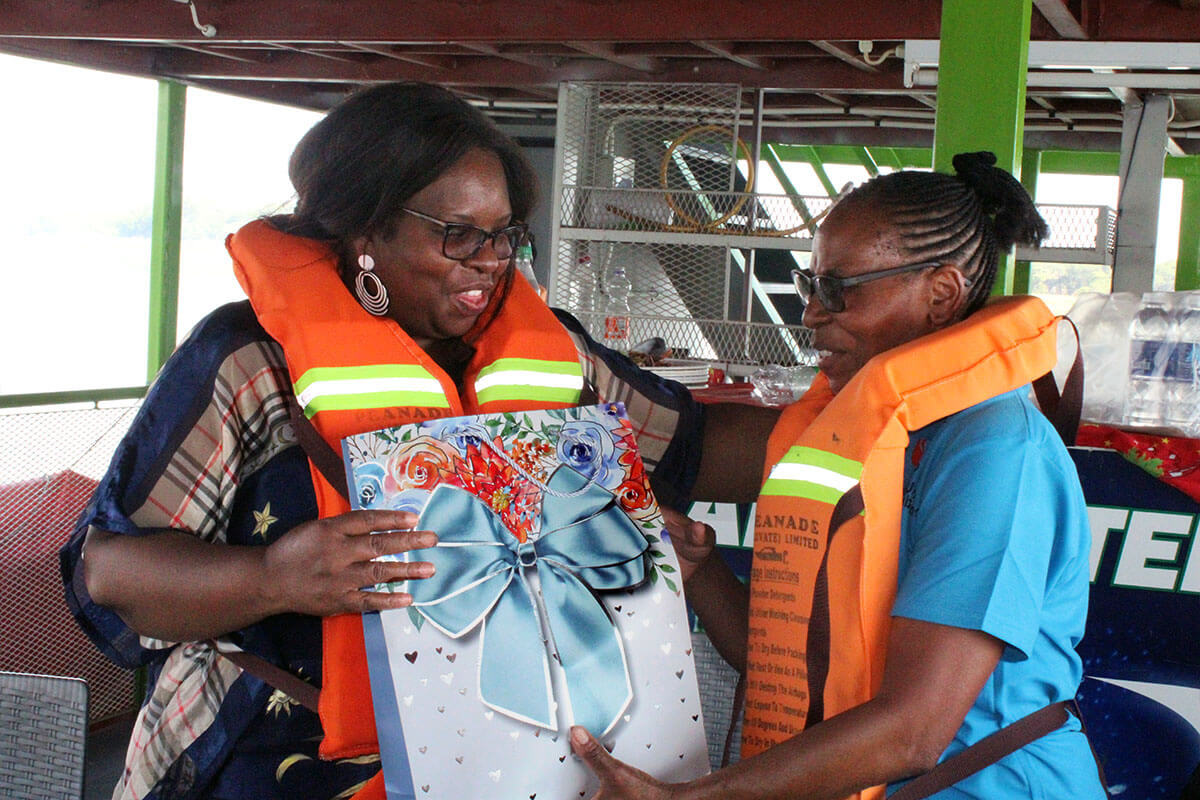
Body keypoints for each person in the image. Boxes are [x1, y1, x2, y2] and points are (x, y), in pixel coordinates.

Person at [60, 82, 702, 800]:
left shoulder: (555, 358)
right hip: (264, 758)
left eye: (505, 233)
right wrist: (271, 577)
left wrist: (843, 406)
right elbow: (110, 574)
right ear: (364, 232)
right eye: (458, 233)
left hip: (501, 765)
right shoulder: (249, 361)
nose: (493, 260)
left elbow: (695, 442)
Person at [570, 152, 1108, 799]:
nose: (812, 316)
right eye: (809, 287)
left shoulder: (994, 451)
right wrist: (701, 573)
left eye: (838, 290)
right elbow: (807, 673)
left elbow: (913, 731)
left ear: (940, 293)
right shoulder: (871, 437)